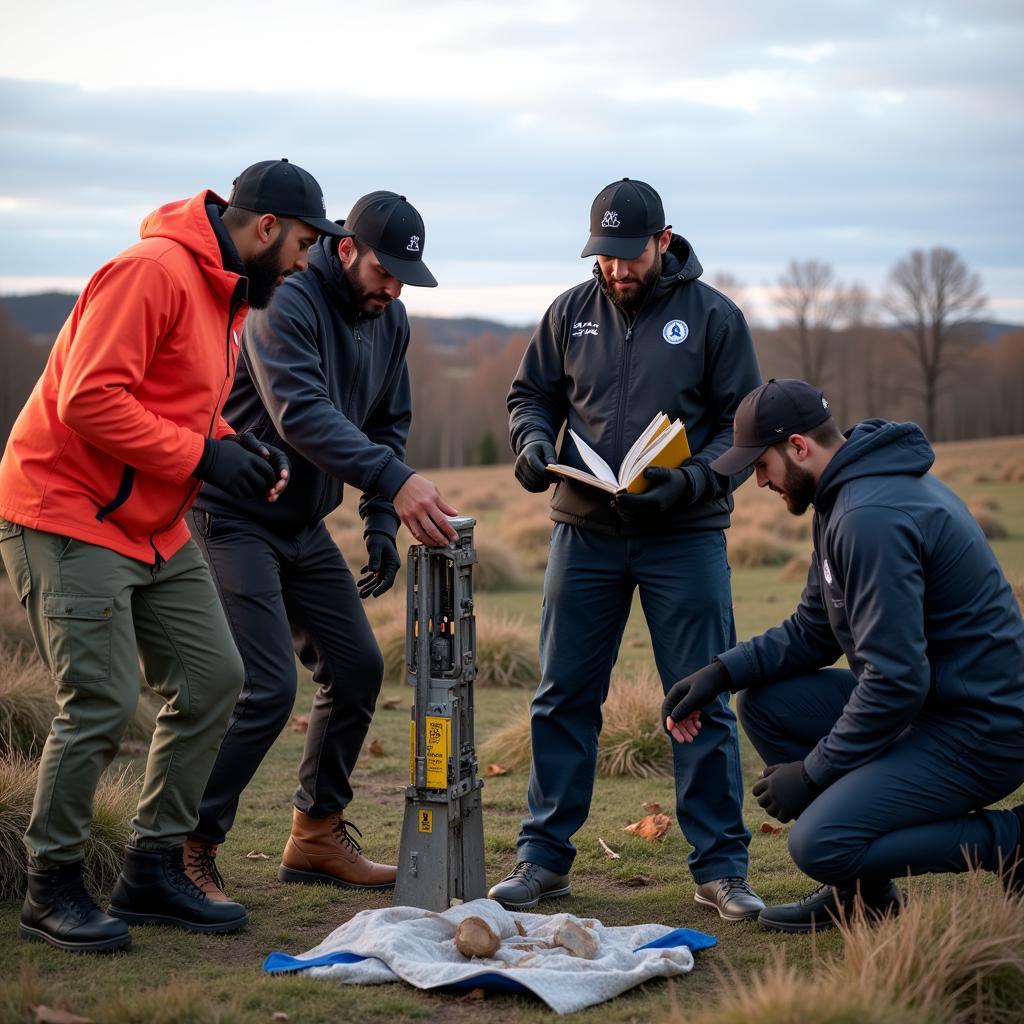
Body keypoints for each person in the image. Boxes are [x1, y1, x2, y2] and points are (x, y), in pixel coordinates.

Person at [0, 158, 348, 952]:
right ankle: (51, 887)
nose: (304, 262)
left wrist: (240, 449)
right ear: (265, 229)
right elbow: (89, 398)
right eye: (301, 245)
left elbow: (179, 406)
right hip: (65, 512)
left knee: (217, 679)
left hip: (152, 523)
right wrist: (202, 457)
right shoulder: (151, 271)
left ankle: (153, 867)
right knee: (99, 698)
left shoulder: (225, 292)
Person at [662, 378, 1024, 932]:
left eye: (761, 464)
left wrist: (812, 773)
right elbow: (814, 630)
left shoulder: (868, 516)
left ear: (799, 447)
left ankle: (1010, 841)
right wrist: (720, 673)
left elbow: (895, 681)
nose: (756, 481)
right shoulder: (842, 499)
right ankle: (867, 897)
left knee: (821, 842)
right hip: (932, 707)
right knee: (765, 704)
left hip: (981, 730)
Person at [499, 178, 764, 919]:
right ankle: (543, 860)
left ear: (663, 240)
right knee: (563, 697)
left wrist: (688, 484)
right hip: (583, 532)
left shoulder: (715, 318)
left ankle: (721, 870)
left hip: (683, 536)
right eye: (605, 255)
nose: (617, 269)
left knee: (701, 701)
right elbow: (533, 396)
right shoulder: (568, 313)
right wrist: (529, 440)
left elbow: (741, 429)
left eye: (630, 254)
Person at [183, 191, 457, 900]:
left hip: (303, 525)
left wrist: (379, 521)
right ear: (344, 248)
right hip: (232, 515)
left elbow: (388, 421)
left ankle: (314, 835)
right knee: (266, 686)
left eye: (405, 277)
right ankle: (188, 846)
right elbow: (300, 414)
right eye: (384, 270)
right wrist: (395, 483)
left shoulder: (387, 318)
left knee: (358, 667)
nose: (393, 288)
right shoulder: (286, 302)